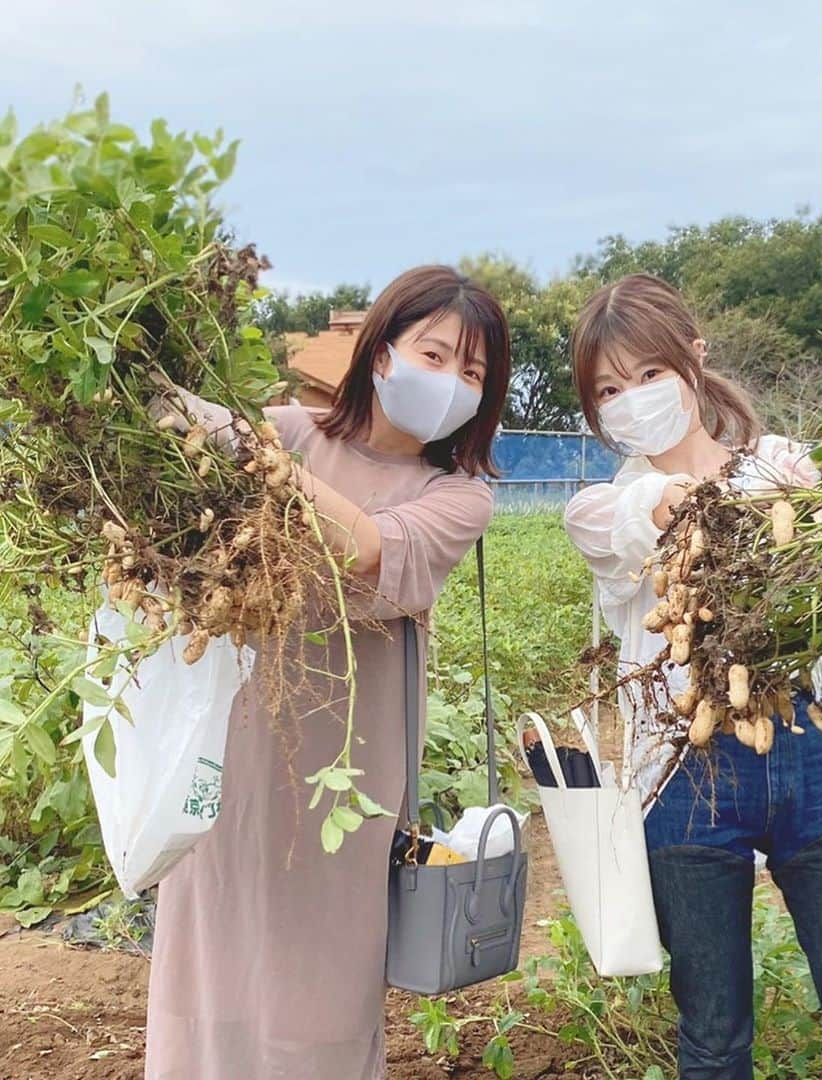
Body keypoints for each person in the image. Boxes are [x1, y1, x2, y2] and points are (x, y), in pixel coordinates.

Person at [144, 265, 511, 1080]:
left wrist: (246, 451)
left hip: (346, 783)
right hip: (230, 760)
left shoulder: (458, 498)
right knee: (211, 967)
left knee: (319, 996)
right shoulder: (286, 431)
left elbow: (371, 551)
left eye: (472, 373)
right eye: (435, 353)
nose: (450, 381)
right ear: (380, 353)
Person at [562, 274, 822, 1080]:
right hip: (691, 774)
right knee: (715, 1041)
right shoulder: (598, 508)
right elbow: (639, 512)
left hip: (816, 753)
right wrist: (685, 499)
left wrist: (817, 512)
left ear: (695, 357)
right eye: (609, 389)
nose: (633, 400)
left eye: (650, 374)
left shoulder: (784, 466)